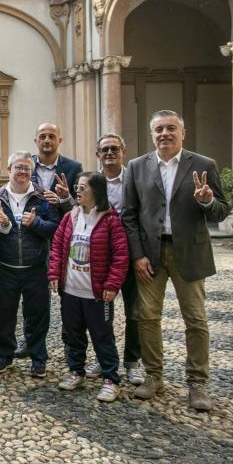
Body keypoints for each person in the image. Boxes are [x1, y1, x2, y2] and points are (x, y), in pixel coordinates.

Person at [122, 110, 229, 411]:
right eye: (159, 129)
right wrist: (137, 255)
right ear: (152, 134)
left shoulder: (204, 165)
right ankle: (154, 376)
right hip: (150, 255)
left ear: (184, 132)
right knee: (147, 316)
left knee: (195, 318)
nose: (164, 134)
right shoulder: (137, 167)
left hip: (189, 252)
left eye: (171, 128)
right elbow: (129, 216)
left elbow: (221, 211)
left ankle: (197, 383)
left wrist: (206, 200)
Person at [48, 172, 129, 402]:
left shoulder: (110, 219)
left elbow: (121, 255)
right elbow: (57, 247)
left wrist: (112, 285)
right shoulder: (71, 217)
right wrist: (54, 274)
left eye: (83, 187)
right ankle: (76, 371)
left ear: (96, 191)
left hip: (97, 294)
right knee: (73, 334)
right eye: (78, 186)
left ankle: (111, 379)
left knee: (102, 336)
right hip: (71, 291)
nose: (78, 191)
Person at [15, 122, 83, 360]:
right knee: (33, 295)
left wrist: (64, 199)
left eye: (51, 136)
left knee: (68, 294)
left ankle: (70, 342)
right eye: (42, 136)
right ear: (36, 140)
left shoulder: (73, 168)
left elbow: (79, 203)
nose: (47, 140)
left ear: (59, 141)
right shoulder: (26, 165)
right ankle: (31, 340)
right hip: (32, 236)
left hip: (63, 236)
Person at [0, 151, 59, 379]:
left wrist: (36, 223)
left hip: (35, 267)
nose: (23, 172)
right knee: (6, 315)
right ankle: (5, 355)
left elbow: (54, 229)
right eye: (18, 167)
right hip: (6, 266)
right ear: (8, 170)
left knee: (37, 315)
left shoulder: (42, 197)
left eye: (27, 169)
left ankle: (38, 358)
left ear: (32, 172)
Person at [85, 133, 143, 385]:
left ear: (123, 151)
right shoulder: (92, 182)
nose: (109, 153)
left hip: (131, 256)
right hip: (100, 259)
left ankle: (132, 361)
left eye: (114, 149)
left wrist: (142, 254)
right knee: (101, 314)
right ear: (97, 154)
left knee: (135, 312)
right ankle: (104, 358)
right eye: (104, 150)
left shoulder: (136, 179)